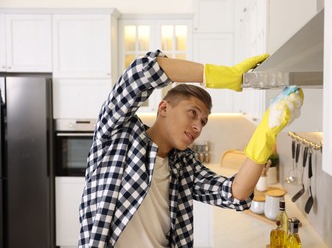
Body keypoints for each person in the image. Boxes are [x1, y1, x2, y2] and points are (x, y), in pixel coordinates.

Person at [78, 50, 303, 248]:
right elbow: (141, 72)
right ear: (164, 108)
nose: (198, 126)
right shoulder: (118, 134)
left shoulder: (184, 165)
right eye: (193, 113)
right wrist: (223, 76)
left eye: (203, 122)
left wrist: (266, 131)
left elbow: (234, 194)